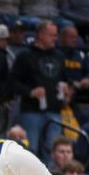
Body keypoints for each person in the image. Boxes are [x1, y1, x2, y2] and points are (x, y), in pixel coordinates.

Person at [10, 20, 65, 156]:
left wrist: (68, 90)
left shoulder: (59, 56)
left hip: (54, 109)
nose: (55, 38)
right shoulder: (25, 56)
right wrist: (30, 92)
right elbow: (12, 82)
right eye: (52, 35)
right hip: (31, 110)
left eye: (56, 35)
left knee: (53, 151)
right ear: (40, 35)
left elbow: (64, 79)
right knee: (30, 149)